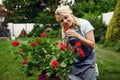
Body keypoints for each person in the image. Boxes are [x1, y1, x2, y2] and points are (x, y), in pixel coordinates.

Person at [55, 5, 97, 80]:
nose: (65, 21)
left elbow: (92, 45)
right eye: (61, 20)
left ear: (71, 14)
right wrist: (62, 47)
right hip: (74, 62)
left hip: (88, 61)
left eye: (66, 17)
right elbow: (66, 47)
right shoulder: (64, 29)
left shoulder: (84, 24)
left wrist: (77, 36)